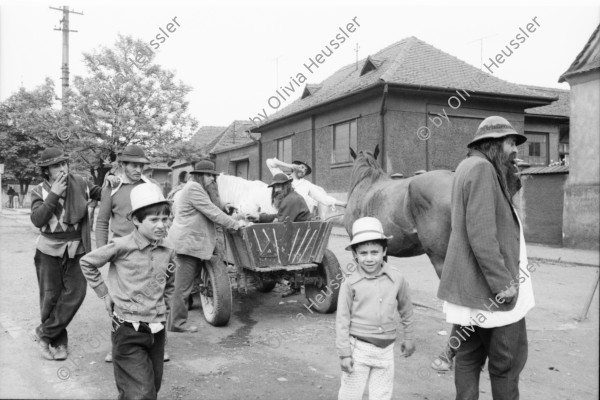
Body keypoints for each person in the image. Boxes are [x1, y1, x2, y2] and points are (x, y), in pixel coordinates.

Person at [437, 116, 535, 400]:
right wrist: (502, 283)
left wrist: (511, 181)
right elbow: (481, 232)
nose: (515, 148)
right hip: (490, 292)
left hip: (470, 291)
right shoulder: (481, 170)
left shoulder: (472, 166)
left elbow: (490, 211)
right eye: (510, 142)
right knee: (506, 362)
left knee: (468, 358)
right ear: (492, 144)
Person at [80, 183, 175, 400]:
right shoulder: (121, 245)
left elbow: (169, 282)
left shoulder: (168, 249)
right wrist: (104, 294)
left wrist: (164, 309)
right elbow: (87, 262)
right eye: (154, 220)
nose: (161, 225)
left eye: (165, 218)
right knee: (141, 393)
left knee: (152, 386)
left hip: (157, 331)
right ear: (136, 221)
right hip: (126, 329)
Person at [29, 147, 110, 360]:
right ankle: (58, 343)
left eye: (63, 163)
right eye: (56, 166)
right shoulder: (39, 190)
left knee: (76, 293)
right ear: (46, 171)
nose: (62, 168)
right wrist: (54, 194)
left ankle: (43, 333)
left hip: (77, 248)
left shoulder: (80, 182)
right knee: (50, 297)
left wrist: (113, 183)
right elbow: (38, 220)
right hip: (48, 250)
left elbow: (101, 193)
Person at [94, 144, 169, 362]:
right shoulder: (112, 187)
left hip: (150, 250)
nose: (138, 169)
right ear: (122, 165)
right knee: (120, 300)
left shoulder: (151, 186)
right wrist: (102, 253)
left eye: (142, 165)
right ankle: (118, 345)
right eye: (133, 165)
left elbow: (162, 217)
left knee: (155, 296)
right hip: (122, 252)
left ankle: (158, 346)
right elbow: (101, 222)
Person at [336, 217, 415, 400]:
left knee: (382, 396)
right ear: (355, 254)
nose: (369, 258)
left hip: (386, 351)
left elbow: (406, 310)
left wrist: (409, 337)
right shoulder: (350, 283)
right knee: (350, 395)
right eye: (363, 253)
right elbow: (342, 321)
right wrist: (344, 354)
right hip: (358, 349)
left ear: (384, 251)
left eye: (374, 252)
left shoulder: (397, 278)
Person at [167, 160, 243, 333]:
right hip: (187, 245)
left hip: (192, 244)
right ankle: (176, 324)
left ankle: (176, 322)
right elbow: (212, 211)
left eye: (213, 176)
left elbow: (212, 206)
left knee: (184, 286)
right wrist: (236, 224)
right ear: (200, 175)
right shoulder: (193, 188)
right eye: (209, 175)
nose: (212, 179)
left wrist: (225, 206)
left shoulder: (196, 188)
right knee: (182, 287)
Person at [266, 158, 347, 215]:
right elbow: (269, 162)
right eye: (302, 167)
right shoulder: (283, 178)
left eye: (305, 170)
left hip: (297, 218)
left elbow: (323, 198)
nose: (303, 170)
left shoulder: (307, 185)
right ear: (295, 167)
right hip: (281, 215)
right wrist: (288, 165)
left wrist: (343, 204)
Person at [246, 173, 312, 223]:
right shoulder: (291, 196)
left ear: (286, 186)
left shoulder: (290, 200)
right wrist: (259, 217)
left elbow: (281, 223)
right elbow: (279, 215)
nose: (276, 190)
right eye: (275, 187)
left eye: (279, 186)